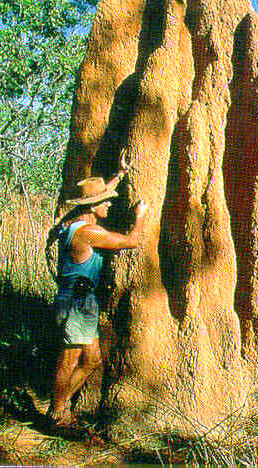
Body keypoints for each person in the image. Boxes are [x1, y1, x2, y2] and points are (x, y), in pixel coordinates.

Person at [46, 167, 147, 433]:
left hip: (80, 301)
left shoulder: (70, 226)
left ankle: (62, 405)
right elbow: (131, 242)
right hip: (75, 304)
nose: (110, 205)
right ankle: (55, 416)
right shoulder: (88, 233)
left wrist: (120, 174)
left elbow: (96, 199)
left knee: (92, 360)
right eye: (105, 202)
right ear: (92, 207)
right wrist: (141, 216)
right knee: (67, 361)